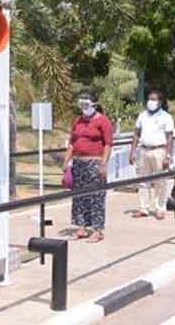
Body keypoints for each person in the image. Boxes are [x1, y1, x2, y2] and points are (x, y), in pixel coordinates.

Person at [62, 91, 113, 243]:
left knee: (96, 196)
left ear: (94, 105)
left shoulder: (103, 121)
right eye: (81, 104)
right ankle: (81, 226)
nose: (83, 107)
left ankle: (97, 230)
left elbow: (108, 144)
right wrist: (66, 161)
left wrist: (103, 164)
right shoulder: (78, 121)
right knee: (79, 196)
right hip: (78, 163)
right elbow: (72, 143)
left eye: (86, 104)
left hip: (94, 162)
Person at [130, 90, 175, 219]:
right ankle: (143, 208)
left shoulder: (166, 117)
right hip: (143, 150)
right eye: (149, 99)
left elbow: (170, 137)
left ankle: (160, 208)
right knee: (142, 181)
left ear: (160, 102)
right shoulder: (142, 115)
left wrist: (168, 156)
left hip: (159, 151)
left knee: (160, 181)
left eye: (154, 99)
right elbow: (136, 134)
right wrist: (132, 151)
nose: (150, 102)